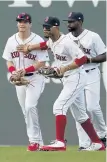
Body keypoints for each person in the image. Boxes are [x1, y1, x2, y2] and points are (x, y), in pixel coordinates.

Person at [17, 16, 105, 151]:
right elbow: (44, 45)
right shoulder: (52, 41)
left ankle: (60, 142)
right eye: (43, 26)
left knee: (59, 106)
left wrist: (63, 68)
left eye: (47, 27)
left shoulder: (67, 42)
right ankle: (97, 143)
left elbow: (82, 59)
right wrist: (29, 47)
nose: (44, 29)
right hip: (68, 78)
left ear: (56, 27)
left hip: (76, 77)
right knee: (80, 115)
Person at [2, 13, 49, 151]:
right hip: (20, 79)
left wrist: (24, 70)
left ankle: (34, 142)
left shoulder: (37, 40)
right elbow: (9, 59)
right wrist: (13, 72)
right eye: (19, 21)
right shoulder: (11, 40)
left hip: (35, 77)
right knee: (25, 111)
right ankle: (37, 141)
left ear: (30, 24)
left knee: (30, 106)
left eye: (25, 21)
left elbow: (41, 62)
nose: (22, 24)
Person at [63, 12, 106, 150]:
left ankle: (103, 134)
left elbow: (104, 55)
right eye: (68, 21)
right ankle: (84, 143)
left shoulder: (93, 36)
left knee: (92, 107)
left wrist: (90, 60)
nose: (69, 24)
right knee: (79, 111)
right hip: (75, 75)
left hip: (91, 72)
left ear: (80, 22)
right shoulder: (66, 39)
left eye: (72, 21)